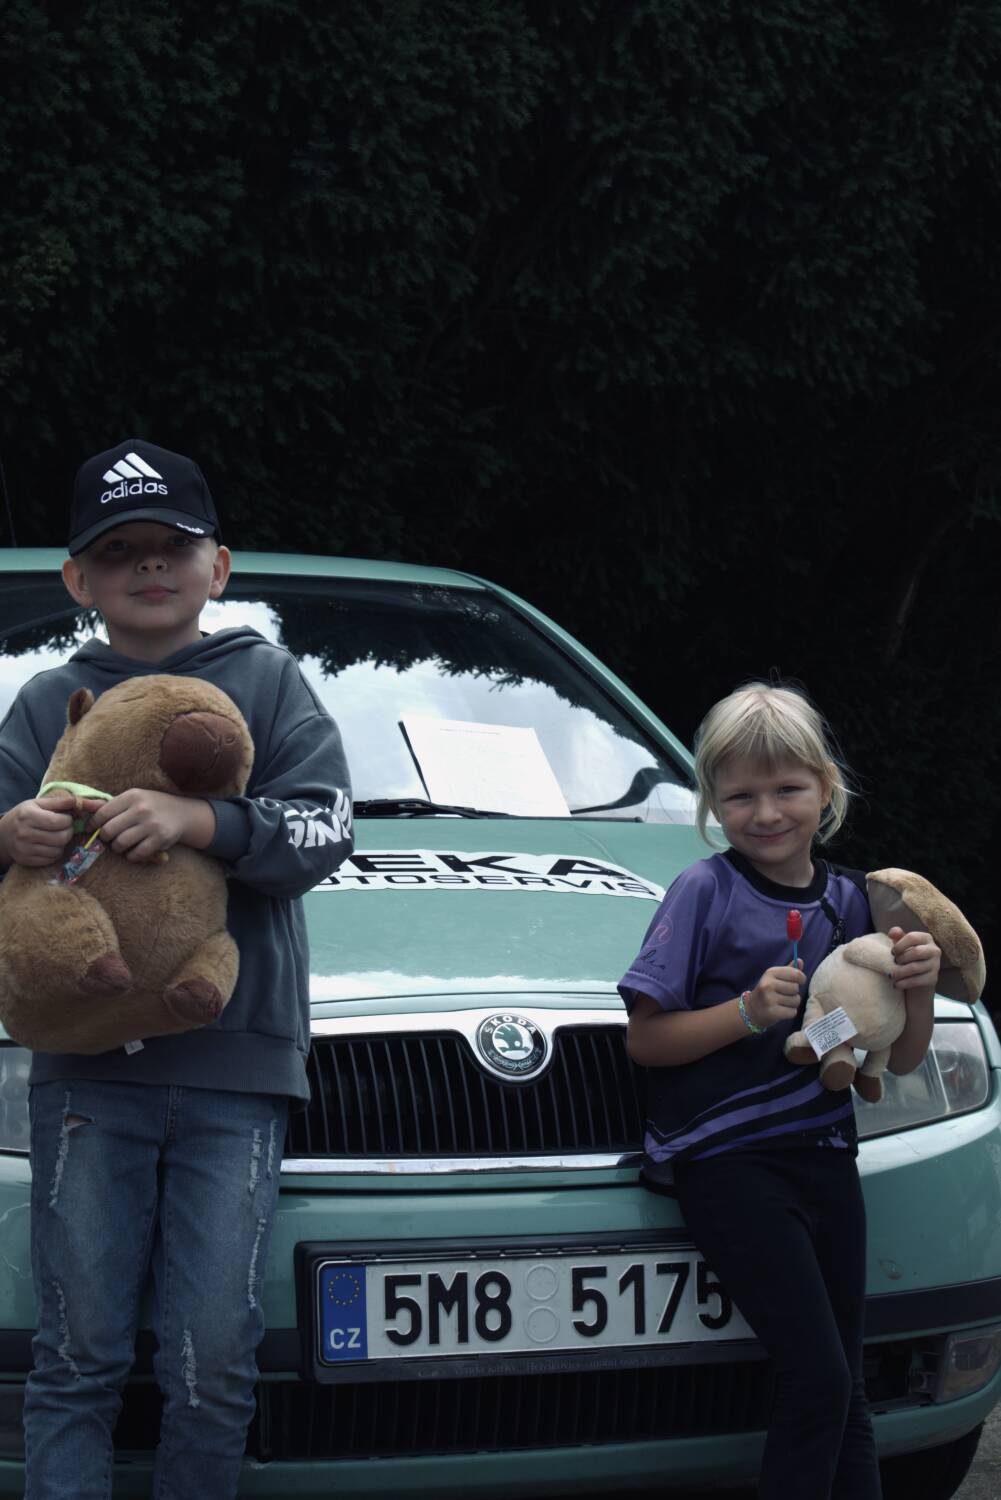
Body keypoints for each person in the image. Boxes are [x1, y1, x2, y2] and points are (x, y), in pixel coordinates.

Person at [0, 439, 353, 1500]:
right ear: (78, 580)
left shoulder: (268, 680)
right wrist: (10, 834)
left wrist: (203, 820)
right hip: (84, 1076)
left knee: (214, 1362)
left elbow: (326, 827)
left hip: (234, 1071)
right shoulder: (47, 701)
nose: (148, 566)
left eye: (173, 545)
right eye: (118, 552)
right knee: (76, 1356)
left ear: (218, 566)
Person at [619, 682, 940, 1500]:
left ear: (825, 789)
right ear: (710, 801)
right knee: (819, 1380)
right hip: (729, 1165)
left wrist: (919, 988)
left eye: (787, 789)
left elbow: (898, 1058)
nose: (765, 813)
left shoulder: (852, 901)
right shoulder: (704, 890)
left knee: (846, 1388)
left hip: (826, 1159)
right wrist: (745, 1012)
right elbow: (645, 1041)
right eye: (739, 796)